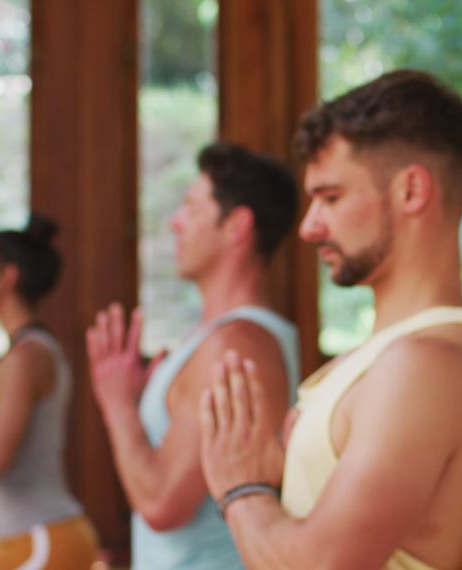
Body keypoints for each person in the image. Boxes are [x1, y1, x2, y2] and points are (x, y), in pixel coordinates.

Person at [197, 70, 462, 569]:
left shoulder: (426, 363)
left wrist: (242, 488)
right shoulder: (385, 359)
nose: (308, 226)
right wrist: (282, 479)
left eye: (331, 197)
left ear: (410, 191)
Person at [86, 143, 302, 569]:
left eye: (190, 207)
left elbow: (162, 504)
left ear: (237, 225)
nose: (175, 222)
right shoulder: (219, 338)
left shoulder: (234, 342)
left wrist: (118, 405)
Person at [0, 214, 99, 569]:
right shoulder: (22, 354)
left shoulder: (26, 356)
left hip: (46, 538)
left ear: (8, 277)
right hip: (35, 537)